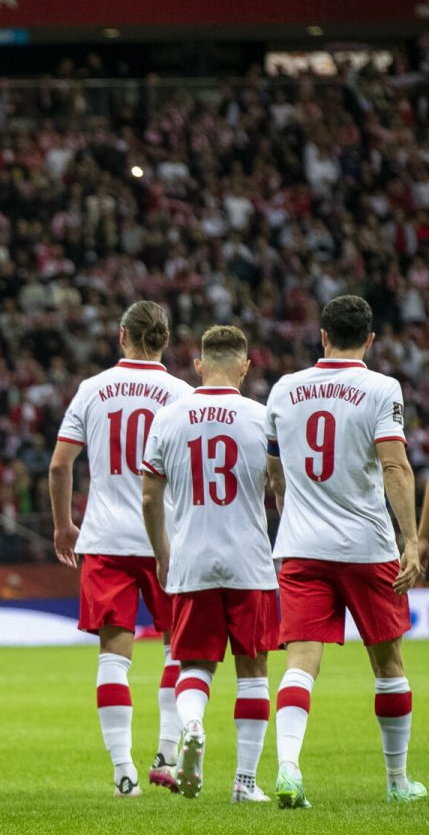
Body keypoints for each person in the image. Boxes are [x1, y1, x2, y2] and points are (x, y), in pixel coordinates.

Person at [264, 295, 425, 807]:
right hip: (366, 546)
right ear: (371, 339)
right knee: (389, 664)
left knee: (299, 663)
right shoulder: (381, 388)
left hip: (301, 547)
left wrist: (292, 507)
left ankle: (288, 768)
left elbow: (274, 468)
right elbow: (396, 467)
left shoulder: (285, 389)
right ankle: (398, 782)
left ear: (324, 336)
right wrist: (412, 540)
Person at [49, 300, 194, 797]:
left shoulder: (92, 390)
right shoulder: (180, 393)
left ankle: (123, 773)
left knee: (115, 655)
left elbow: (60, 464)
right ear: (166, 340)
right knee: (180, 646)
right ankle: (167, 757)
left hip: (105, 538)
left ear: (122, 335)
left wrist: (64, 524)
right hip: (166, 539)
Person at [139, 325, 277, 804]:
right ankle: (244, 783)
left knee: (193, 664)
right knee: (253, 668)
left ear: (198, 366)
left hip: (191, 558)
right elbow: (279, 488)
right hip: (248, 559)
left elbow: (150, 499)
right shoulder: (264, 419)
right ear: (244, 366)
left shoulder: (169, 417)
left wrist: (161, 552)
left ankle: (192, 725)